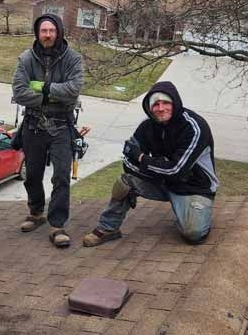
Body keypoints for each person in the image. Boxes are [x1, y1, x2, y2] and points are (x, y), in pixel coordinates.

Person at [82, 81, 218, 247]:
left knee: (193, 234)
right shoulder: (147, 126)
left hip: (194, 188)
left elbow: (176, 170)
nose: (161, 108)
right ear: (149, 107)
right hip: (163, 182)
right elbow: (127, 162)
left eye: (166, 103)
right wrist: (159, 166)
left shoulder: (194, 128)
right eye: (156, 104)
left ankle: (193, 215)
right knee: (125, 182)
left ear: (176, 103)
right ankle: (108, 228)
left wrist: (141, 158)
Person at [12, 13, 84, 248]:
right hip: (33, 125)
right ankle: (35, 212)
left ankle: (57, 224)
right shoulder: (25, 59)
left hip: (62, 125)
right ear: (38, 33)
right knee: (32, 174)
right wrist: (53, 95)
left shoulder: (73, 59)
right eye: (43, 31)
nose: (47, 35)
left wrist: (42, 88)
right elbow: (19, 92)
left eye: (51, 31)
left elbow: (73, 90)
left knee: (61, 176)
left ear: (59, 32)